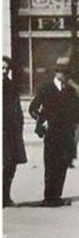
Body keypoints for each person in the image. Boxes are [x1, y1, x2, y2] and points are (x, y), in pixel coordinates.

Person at [29, 60, 79, 206]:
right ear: (56, 73)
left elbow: (77, 111)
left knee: (62, 165)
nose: (63, 75)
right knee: (51, 165)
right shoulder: (45, 88)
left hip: (66, 134)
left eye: (66, 73)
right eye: (61, 72)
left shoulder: (70, 91)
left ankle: (57, 196)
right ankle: (49, 197)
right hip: (51, 133)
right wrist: (42, 121)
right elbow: (33, 108)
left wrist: (74, 124)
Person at [3, 57, 27, 206]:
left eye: (6, 69)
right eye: (2, 68)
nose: (4, 71)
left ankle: (5, 196)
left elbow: (17, 106)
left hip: (11, 131)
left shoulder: (11, 86)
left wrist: (20, 123)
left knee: (10, 164)